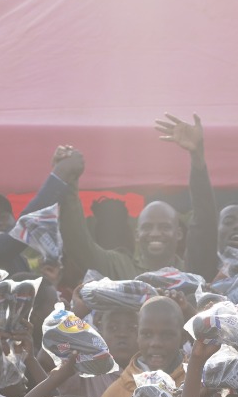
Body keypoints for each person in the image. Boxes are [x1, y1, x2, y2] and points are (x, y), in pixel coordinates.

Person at [55, 118, 218, 282]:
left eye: (164, 227)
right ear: (137, 235)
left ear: (179, 234)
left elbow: (205, 224)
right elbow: (77, 243)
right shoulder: (117, 267)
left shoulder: (191, 271)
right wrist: (68, 180)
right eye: (147, 227)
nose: (155, 233)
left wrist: (197, 157)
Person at [95, 297, 188, 397]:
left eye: (166, 335)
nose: (156, 343)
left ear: (183, 338)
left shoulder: (197, 385)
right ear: (137, 336)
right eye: (147, 334)